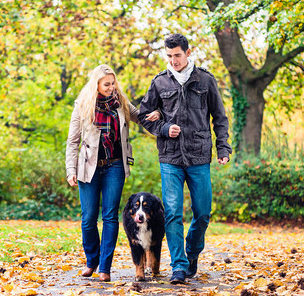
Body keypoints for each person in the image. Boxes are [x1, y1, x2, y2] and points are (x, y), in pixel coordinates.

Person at [138, 34, 232, 284]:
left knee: (202, 213)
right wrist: (164, 128)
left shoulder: (205, 79)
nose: (173, 60)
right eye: (169, 56)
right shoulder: (159, 82)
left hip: (199, 156)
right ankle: (178, 266)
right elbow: (144, 115)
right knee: (172, 213)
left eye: (177, 55)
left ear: (188, 53)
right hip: (170, 157)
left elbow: (220, 118)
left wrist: (223, 148)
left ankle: (191, 253)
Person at [65, 64, 160, 282]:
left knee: (110, 216)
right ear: (96, 84)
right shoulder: (82, 105)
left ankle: (104, 268)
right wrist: (70, 169)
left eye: (112, 83)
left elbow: (139, 116)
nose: (111, 87)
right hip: (88, 167)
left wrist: (155, 116)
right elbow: (72, 141)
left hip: (115, 165)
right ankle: (92, 261)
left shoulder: (121, 102)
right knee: (88, 217)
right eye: (106, 84)